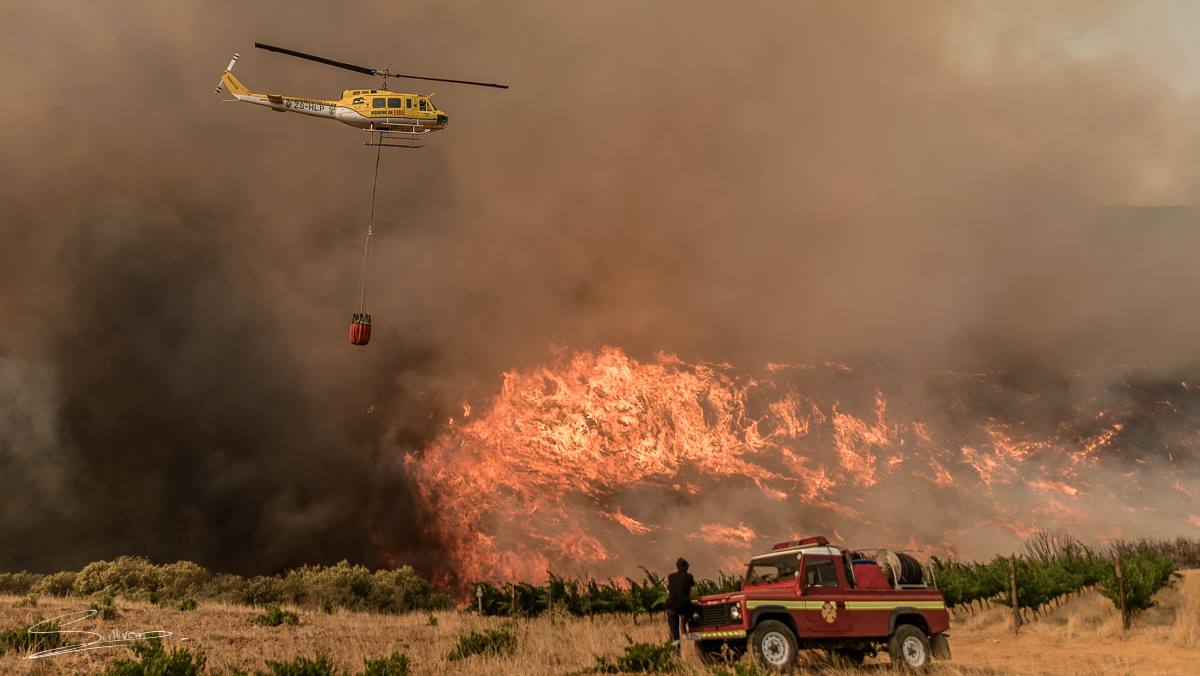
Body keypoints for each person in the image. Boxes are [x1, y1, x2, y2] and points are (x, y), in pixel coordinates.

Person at [665, 557, 695, 655]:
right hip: (684, 606)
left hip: (671, 607)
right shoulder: (689, 577)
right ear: (687, 567)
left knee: (675, 634)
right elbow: (691, 593)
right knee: (692, 609)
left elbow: (669, 590)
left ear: (677, 567)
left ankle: (677, 654)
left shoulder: (670, 577)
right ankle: (684, 625)